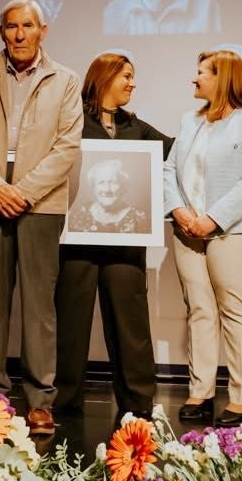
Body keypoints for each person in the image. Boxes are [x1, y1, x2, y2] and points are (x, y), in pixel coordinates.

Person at [0, 0, 83, 435]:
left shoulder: (65, 80)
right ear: (2, 32)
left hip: (41, 206)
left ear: (42, 31)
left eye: (28, 26)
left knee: (38, 305)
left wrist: (23, 192)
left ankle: (40, 400)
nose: (20, 34)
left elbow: (67, 146)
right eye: (11, 26)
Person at [55, 52, 172, 421]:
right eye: (126, 76)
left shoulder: (135, 126)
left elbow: (174, 149)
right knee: (70, 323)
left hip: (125, 245)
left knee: (131, 325)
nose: (132, 84)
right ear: (105, 78)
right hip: (77, 244)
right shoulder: (74, 121)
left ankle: (137, 402)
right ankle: (63, 398)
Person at [163, 49, 242, 427]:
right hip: (187, 229)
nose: (194, 80)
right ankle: (201, 392)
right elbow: (168, 170)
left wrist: (212, 219)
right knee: (200, 310)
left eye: (201, 73)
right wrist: (179, 211)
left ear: (223, 77)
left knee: (237, 310)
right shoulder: (191, 120)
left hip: (234, 230)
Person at [68, 158, 150, 234]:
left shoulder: (139, 218)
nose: (107, 190)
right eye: (101, 183)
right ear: (94, 187)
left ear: (122, 186)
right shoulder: (78, 214)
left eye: (113, 182)